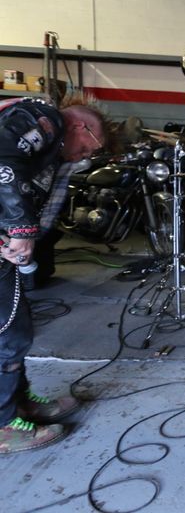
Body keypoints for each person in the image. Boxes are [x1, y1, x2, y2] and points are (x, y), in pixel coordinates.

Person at [0, 93, 111, 454]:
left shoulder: (44, 133)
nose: (83, 157)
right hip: (8, 238)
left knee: (15, 324)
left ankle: (18, 404)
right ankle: (3, 424)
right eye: (88, 148)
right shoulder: (42, 118)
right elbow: (3, 162)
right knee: (9, 332)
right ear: (79, 126)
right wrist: (21, 229)